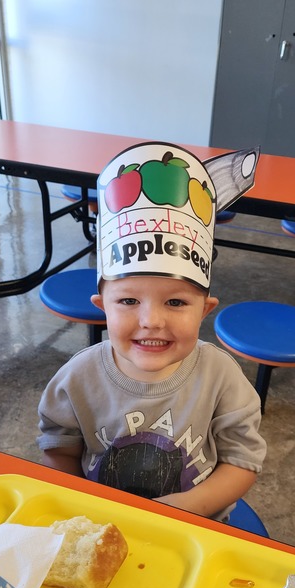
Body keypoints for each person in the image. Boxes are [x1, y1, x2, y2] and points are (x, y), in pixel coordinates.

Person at [37, 141, 266, 521]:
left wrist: (188, 510)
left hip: (198, 528)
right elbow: (58, 451)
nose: (152, 321)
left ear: (205, 310)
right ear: (102, 309)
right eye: (128, 302)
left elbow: (242, 461)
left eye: (175, 303)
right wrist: (89, 511)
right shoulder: (77, 379)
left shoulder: (221, 376)